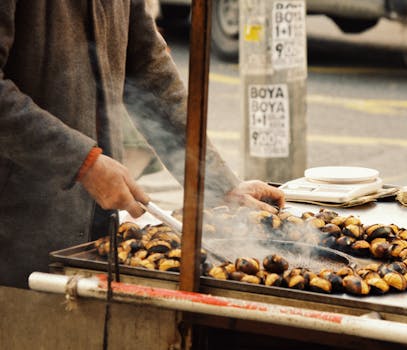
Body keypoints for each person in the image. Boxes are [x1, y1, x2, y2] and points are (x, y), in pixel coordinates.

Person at [0, 1, 284, 288]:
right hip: (16, 232)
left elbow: (149, 68)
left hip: (92, 232)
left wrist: (216, 184)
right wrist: (82, 162)